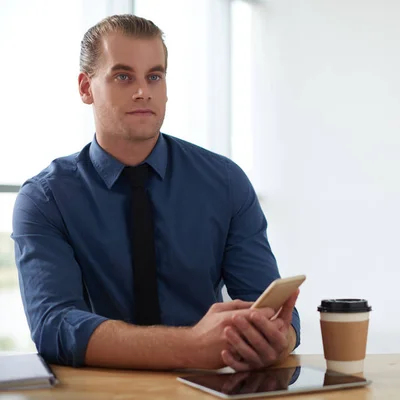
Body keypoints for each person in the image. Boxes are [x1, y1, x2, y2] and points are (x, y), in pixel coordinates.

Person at [11, 14, 300, 371]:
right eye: (123, 76)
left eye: (154, 76)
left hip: (208, 388)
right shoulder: (45, 199)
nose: (143, 91)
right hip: (97, 392)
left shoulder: (225, 183)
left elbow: (269, 307)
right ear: (86, 88)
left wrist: (276, 339)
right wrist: (191, 346)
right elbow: (55, 326)